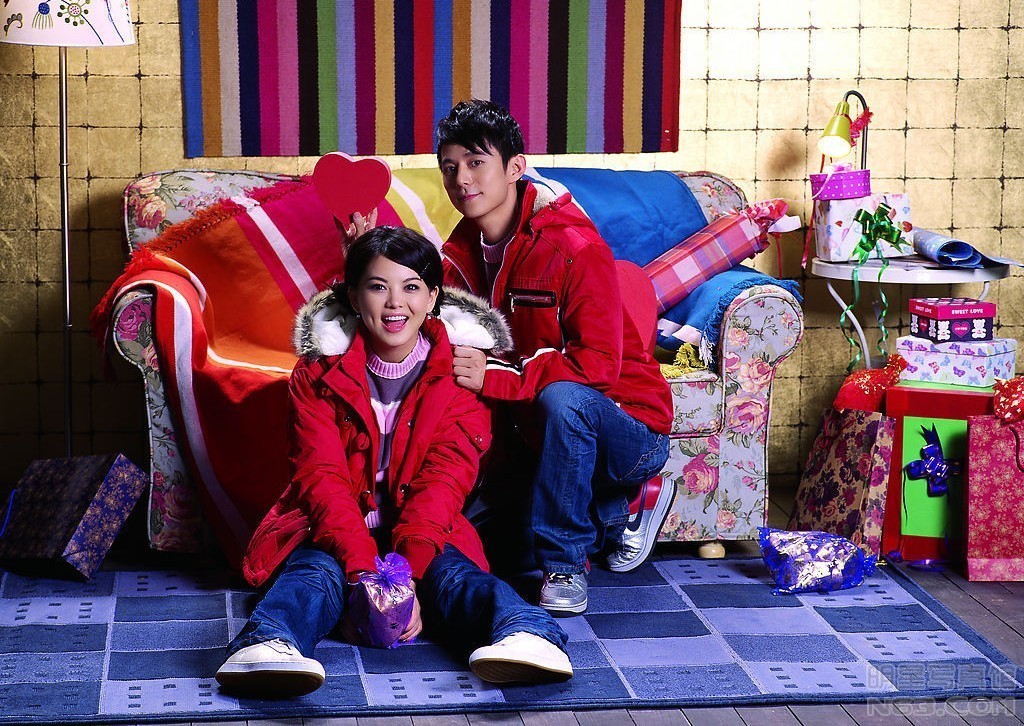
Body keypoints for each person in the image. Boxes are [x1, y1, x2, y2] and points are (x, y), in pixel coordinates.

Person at [215, 226, 572, 698]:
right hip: (332, 527)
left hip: (424, 527)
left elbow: (445, 481)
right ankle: (268, 644)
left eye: (411, 287)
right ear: (353, 296)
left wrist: (406, 579)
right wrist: (364, 575)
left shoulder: (463, 374)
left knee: (455, 578)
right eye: (378, 287)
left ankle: (526, 634)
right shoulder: (316, 373)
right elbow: (320, 477)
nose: (395, 304)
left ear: (433, 297)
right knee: (315, 576)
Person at [435, 99, 676, 616]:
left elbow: (597, 367)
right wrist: (358, 255)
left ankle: (565, 566)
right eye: (449, 167)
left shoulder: (573, 246)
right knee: (484, 548)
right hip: (537, 435)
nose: (462, 180)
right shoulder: (457, 254)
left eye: (476, 162)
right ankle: (619, 511)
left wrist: (494, 376)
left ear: (515, 168)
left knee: (564, 399)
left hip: (628, 428)